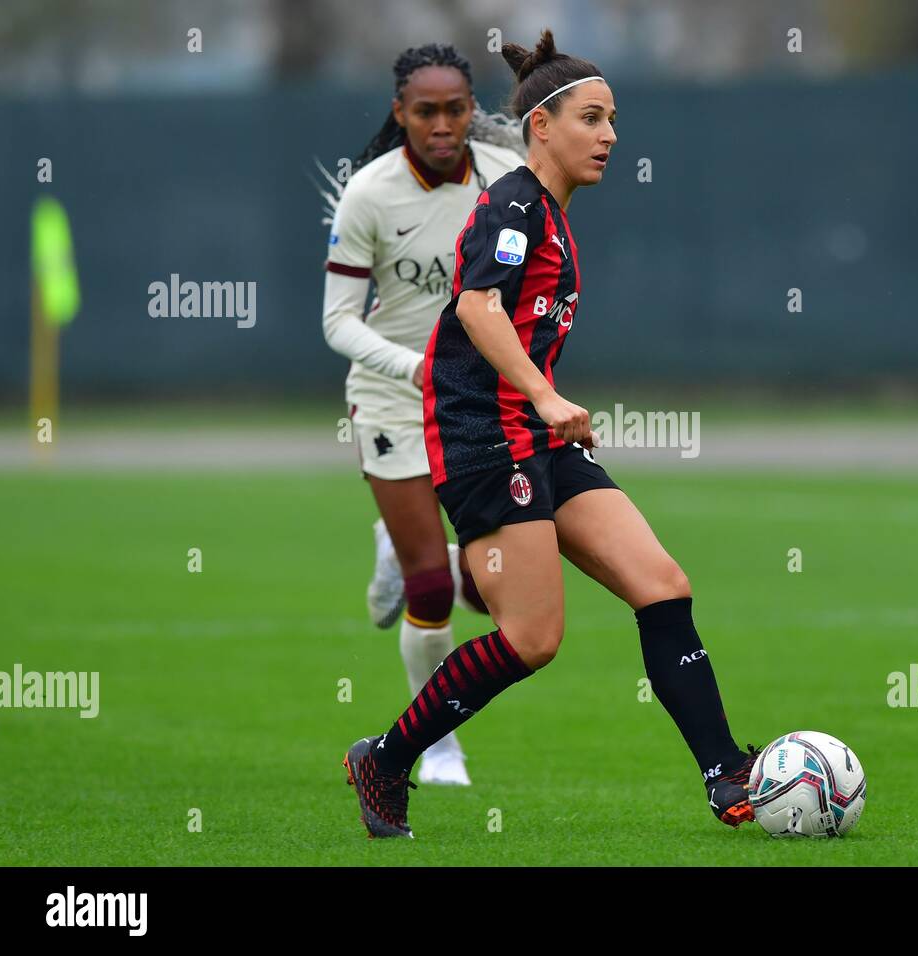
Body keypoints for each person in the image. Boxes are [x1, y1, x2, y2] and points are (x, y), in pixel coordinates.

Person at [343, 29, 759, 838]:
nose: (609, 136)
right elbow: (476, 308)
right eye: (593, 119)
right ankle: (386, 759)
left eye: (613, 120)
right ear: (542, 125)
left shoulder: (552, 216)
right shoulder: (513, 205)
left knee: (663, 586)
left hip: (532, 436)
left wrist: (546, 408)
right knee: (532, 640)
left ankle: (726, 773)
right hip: (482, 442)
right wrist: (545, 394)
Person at [321, 43, 526, 785]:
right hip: (394, 399)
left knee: (487, 587)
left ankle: (395, 541)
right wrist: (417, 368)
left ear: (473, 111)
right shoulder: (370, 194)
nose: (442, 125)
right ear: (400, 113)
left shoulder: (508, 180)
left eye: (456, 109)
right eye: (425, 111)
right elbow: (338, 323)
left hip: (477, 402)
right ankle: (435, 745)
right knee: (432, 587)